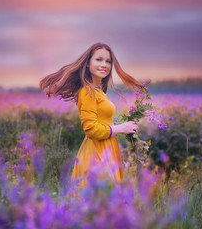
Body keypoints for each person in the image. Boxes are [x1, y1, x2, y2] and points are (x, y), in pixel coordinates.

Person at [39, 42, 144, 188]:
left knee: (109, 204)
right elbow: (91, 129)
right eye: (99, 59)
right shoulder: (87, 92)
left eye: (108, 61)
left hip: (106, 148)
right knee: (99, 202)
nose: (104, 64)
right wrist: (120, 128)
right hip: (96, 153)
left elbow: (102, 122)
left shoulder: (98, 91)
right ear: (87, 63)